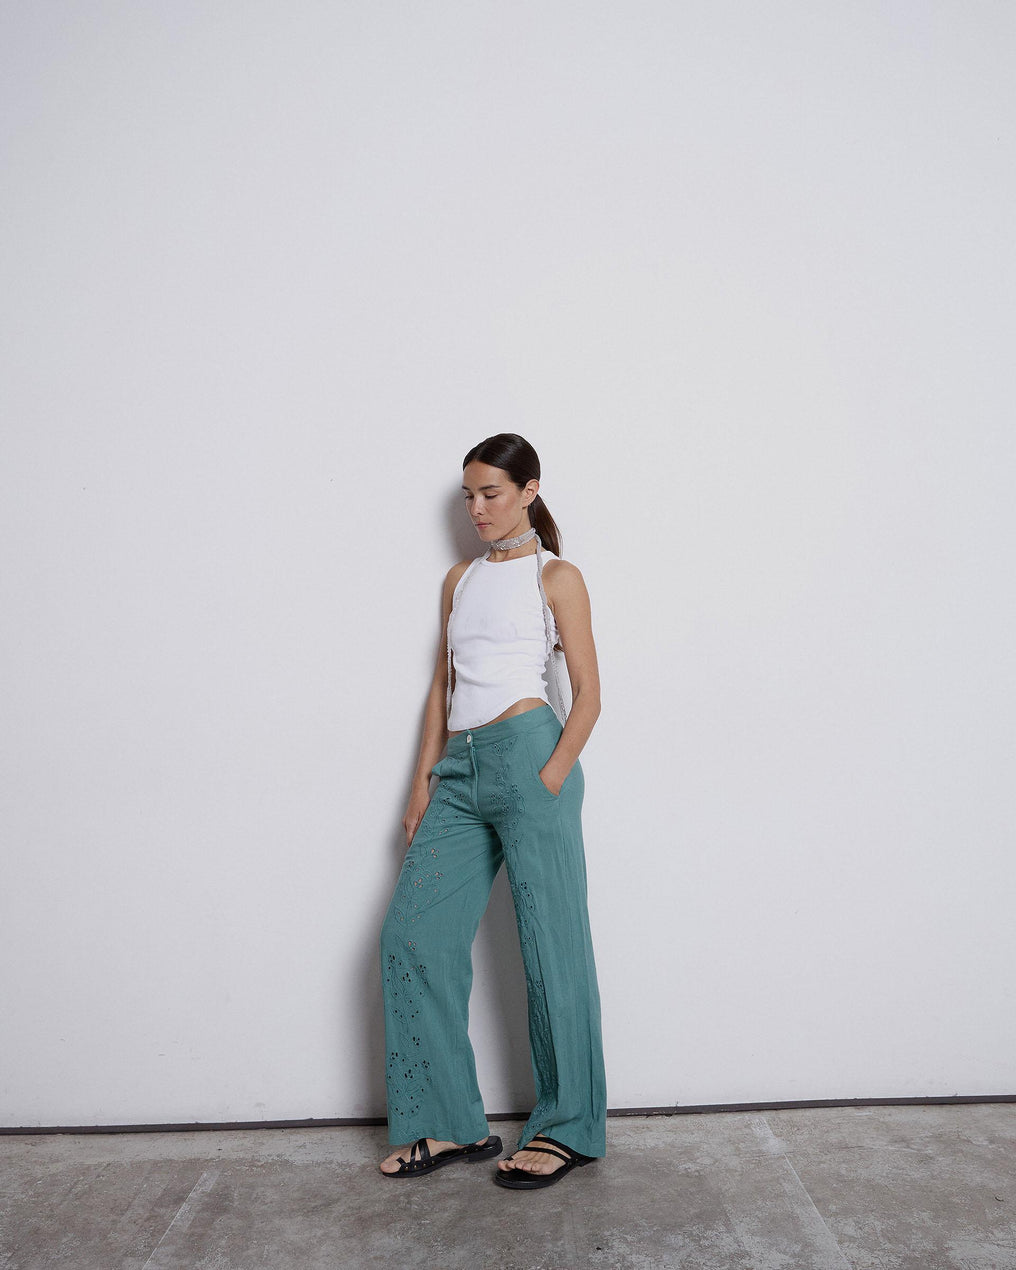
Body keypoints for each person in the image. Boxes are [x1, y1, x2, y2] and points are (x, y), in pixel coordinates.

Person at [378, 433, 607, 1189]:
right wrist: (422, 786)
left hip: (530, 756)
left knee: (552, 949)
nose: (476, 509)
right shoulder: (461, 580)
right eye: (469, 496)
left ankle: (568, 1129)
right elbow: (441, 687)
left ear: (529, 492)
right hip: (459, 772)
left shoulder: (556, 576)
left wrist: (551, 776)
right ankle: (448, 1123)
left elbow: (589, 693)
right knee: (412, 936)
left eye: (491, 494)